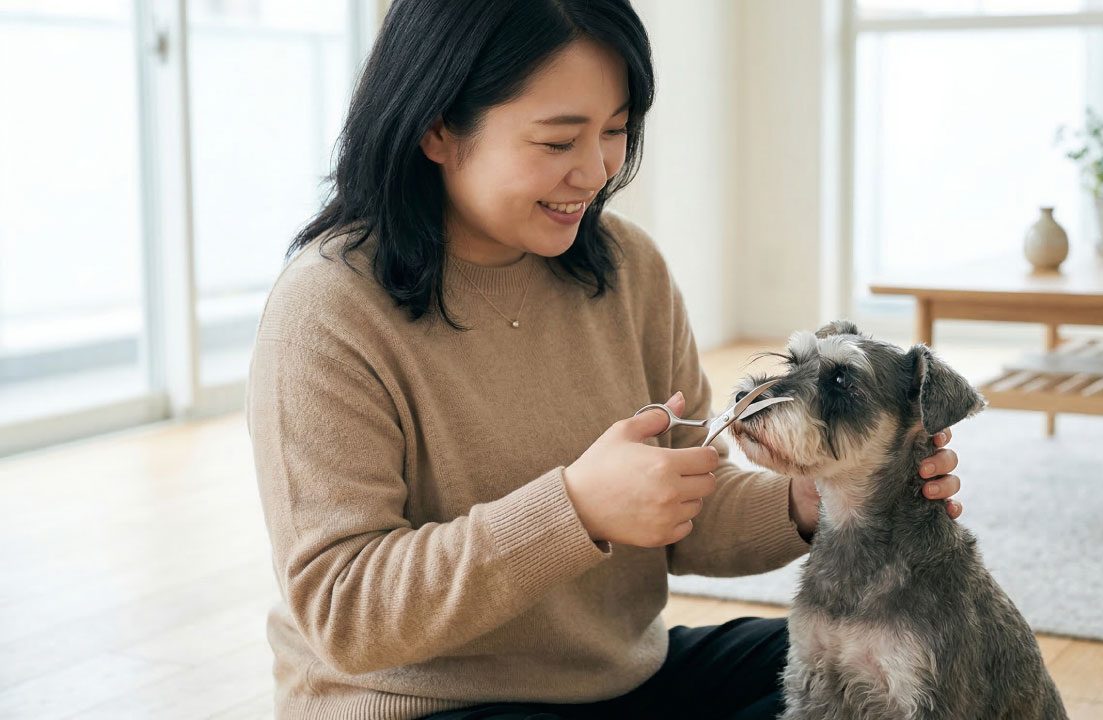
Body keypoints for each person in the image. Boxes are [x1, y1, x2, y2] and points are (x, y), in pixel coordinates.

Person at [246, 1, 963, 719]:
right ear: (437, 125)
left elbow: (686, 501)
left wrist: (817, 499)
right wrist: (576, 510)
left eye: (616, 132)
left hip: (618, 685)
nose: (595, 171)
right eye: (558, 142)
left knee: (898, 670)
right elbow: (344, 612)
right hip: (419, 703)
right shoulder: (328, 310)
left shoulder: (629, 268)